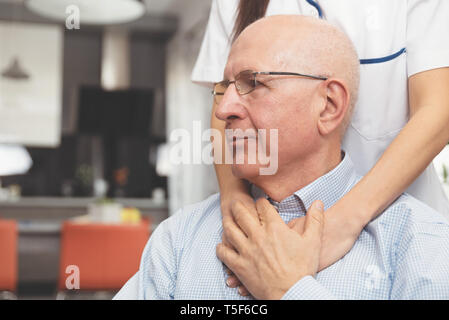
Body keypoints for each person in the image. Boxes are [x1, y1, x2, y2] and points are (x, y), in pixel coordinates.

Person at [114, 16, 449, 300]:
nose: (224, 109)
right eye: (224, 88)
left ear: (329, 106)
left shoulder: (420, 246)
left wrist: (291, 290)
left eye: (253, 83)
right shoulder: (179, 239)